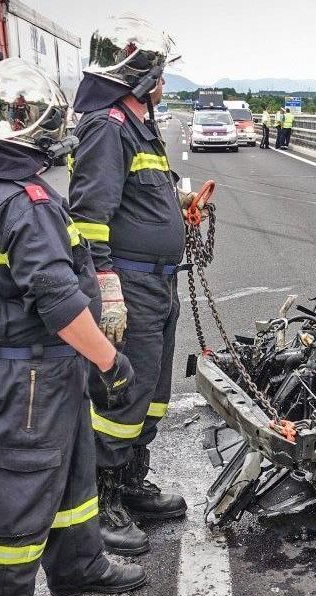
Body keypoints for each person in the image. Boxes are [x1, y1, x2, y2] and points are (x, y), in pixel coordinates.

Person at [0, 58, 147, 596]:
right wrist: (110, 362)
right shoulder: (23, 203)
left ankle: (79, 562)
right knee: (22, 495)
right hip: (31, 372)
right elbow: (59, 304)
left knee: (71, 470)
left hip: (17, 364)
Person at [67, 13, 190, 557]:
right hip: (132, 286)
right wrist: (106, 285)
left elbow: (136, 199)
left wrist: (180, 208)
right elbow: (90, 215)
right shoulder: (107, 126)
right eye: (160, 71)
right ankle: (104, 501)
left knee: (153, 396)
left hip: (160, 285)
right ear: (141, 73)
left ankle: (133, 483)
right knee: (122, 395)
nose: (165, 80)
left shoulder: (141, 124)